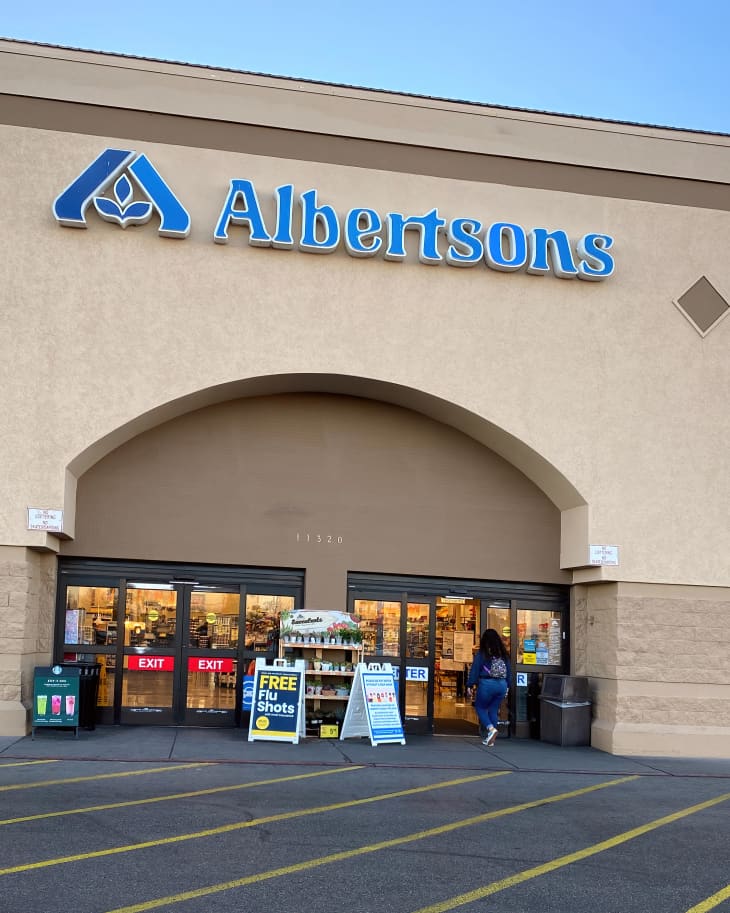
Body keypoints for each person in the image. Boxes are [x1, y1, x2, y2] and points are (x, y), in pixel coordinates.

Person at [467, 628, 510, 747]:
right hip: (502, 685)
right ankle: (490, 739)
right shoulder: (503, 654)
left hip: (487, 684)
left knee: (480, 708)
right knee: (493, 710)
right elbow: (509, 671)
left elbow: (475, 669)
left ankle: (491, 730)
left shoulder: (482, 653)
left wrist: (470, 684)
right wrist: (508, 686)